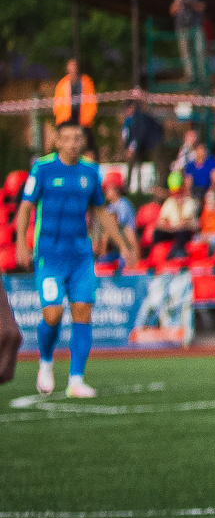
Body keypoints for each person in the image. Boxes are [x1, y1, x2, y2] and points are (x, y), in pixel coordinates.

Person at [16, 124, 138, 397]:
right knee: (53, 314)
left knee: (83, 313)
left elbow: (101, 213)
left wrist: (124, 246)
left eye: (78, 138)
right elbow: (25, 208)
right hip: (49, 255)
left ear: (83, 142)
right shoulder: (43, 169)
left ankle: (76, 380)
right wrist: (21, 243)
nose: (73, 143)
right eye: (67, 138)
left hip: (81, 257)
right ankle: (46, 362)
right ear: (57, 141)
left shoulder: (90, 172)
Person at [171, 0, 208, 87]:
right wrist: (179, 1)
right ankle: (190, 77)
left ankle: (202, 78)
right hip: (182, 26)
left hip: (195, 25)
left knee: (199, 51)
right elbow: (172, 10)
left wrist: (191, 2)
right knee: (185, 53)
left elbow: (203, 7)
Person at [51, 57, 97, 129]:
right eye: (70, 67)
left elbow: (92, 102)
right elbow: (57, 104)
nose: (72, 70)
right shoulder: (62, 84)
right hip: (65, 120)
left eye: (74, 67)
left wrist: (89, 117)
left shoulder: (87, 82)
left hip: (83, 121)